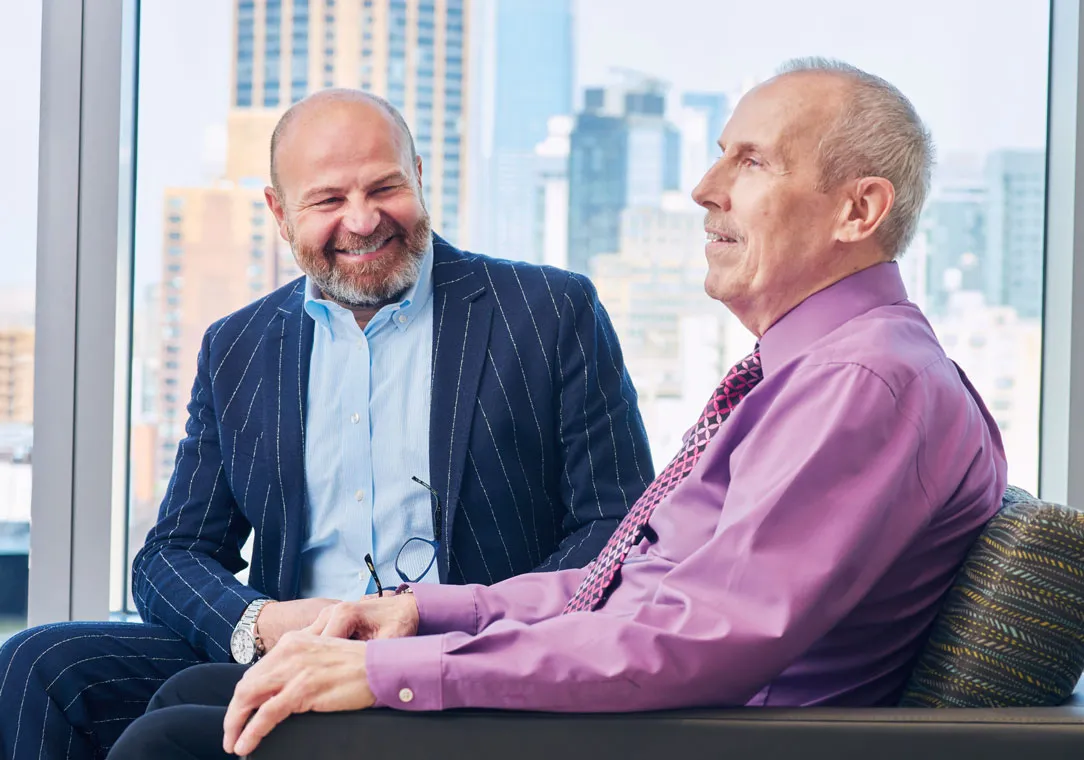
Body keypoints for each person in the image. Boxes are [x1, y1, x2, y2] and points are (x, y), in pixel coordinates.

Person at [108, 57, 1009, 760]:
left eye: (751, 160)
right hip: (649, 713)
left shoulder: (862, 385)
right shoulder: (815, 374)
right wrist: (427, 616)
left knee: (171, 741)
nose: (705, 187)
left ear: (860, 209)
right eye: (720, 152)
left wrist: (394, 671)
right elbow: (626, 587)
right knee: (188, 700)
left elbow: (693, 644)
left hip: (677, 737)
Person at [0, 90, 654, 760]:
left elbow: (621, 529)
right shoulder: (238, 347)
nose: (364, 220)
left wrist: (457, 617)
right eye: (329, 200)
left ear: (420, 178)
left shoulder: (549, 312)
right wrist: (263, 623)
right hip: (292, 653)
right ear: (280, 214)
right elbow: (172, 556)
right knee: (38, 668)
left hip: (467, 663)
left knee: (164, 736)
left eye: (385, 187)